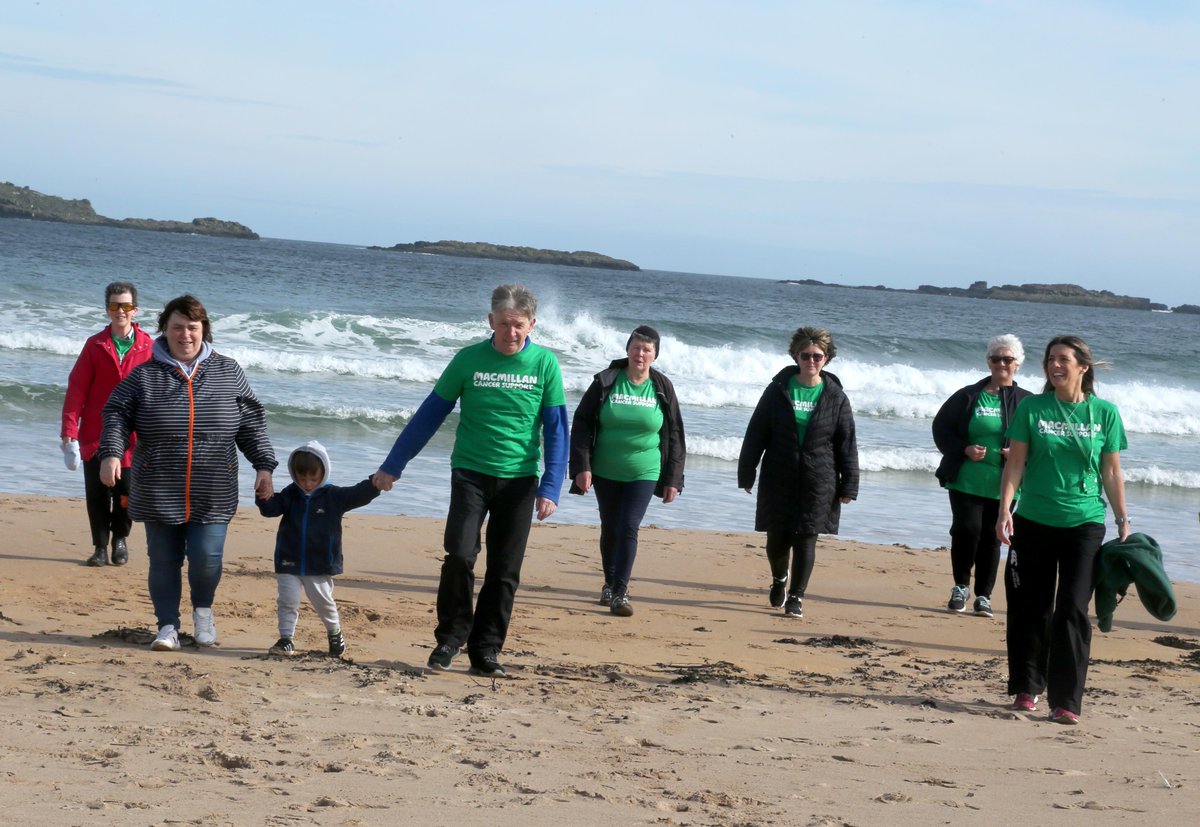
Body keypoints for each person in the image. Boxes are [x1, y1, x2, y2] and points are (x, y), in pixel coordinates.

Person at [372, 284, 568, 677]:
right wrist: (394, 464)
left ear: (532, 325)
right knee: (459, 554)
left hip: (519, 480)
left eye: (518, 325)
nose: (511, 332)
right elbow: (430, 415)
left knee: (504, 569)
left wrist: (550, 486)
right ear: (489, 321)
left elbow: (557, 428)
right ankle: (451, 637)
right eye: (503, 324)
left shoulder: (545, 365)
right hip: (470, 473)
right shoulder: (468, 360)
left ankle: (486, 649)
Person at [98, 294, 276, 652]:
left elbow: (251, 422)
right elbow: (115, 413)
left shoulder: (228, 370)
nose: (185, 335)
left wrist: (264, 465)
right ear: (165, 329)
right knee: (163, 560)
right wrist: (111, 453)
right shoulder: (144, 375)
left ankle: (204, 612)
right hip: (158, 486)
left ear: (203, 330)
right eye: (177, 327)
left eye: (192, 328)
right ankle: (167, 626)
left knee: (207, 559)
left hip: (215, 487)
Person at [996, 335, 1129, 725]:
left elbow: (1112, 470)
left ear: (1082, 367)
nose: (1054, 365)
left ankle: (1066, 700)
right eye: (1050, 359)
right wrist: (1005, 509)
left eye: (1063, 359)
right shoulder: (1032, 408)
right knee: (1030, 607)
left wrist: (1122, 519)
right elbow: (1015, 464)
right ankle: (1027, 687)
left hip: (1084, 523)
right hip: (1034, 519)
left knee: (1072, 608)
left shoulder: (1105, 413)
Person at [738, 327, 859, 619]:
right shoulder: (778, 389)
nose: (811, 360)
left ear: (827, 359)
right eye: (805, 355)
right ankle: (780, 578)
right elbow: (756, 433)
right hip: (779, 474)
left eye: (818, 356)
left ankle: (796, 596)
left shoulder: (835, 396)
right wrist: (746, 472)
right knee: (777, 539)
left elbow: (847, 442)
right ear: (796, 355)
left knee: (806, 537)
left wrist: (849, 485)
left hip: (820, 478)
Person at [568, 325, 686, 617]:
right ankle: (609, 584)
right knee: (610, 526)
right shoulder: (607, 381)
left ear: (655, 355)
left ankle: (620, 592)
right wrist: (582, 467)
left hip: (645, 469)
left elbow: (675, 434)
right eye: (636, 347)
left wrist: (673, 479)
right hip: (605, 469)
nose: (640, 354)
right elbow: (582, 423)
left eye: (647, 349)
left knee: (628, 525)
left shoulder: (661, 386)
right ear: (627, 350)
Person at [932, 334, 1032, 618]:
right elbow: (941, 428)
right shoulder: (968, 395)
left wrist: (1016, 452)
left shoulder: (1026, 402)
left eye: (1007, 359)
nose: (1001, 363)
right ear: (988, 361)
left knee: (993, 535)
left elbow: (1038, 440)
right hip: (966, 478)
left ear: (1017, 364)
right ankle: (961, 586)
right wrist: (963, 449)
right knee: (966, 530)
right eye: (996, 358)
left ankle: (984, 595)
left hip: (1005, 483)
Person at [256, 440, 379, 657]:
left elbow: (358, 493)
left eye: (313, 478)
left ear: (323, 472)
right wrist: (263, 497)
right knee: (287, 600)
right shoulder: (290, 493)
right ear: (295, 474)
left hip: (319, 562)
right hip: (288, 558)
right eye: (302, 478)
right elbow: (271, 510)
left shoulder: (333, 496)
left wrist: (376, 483)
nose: (307, 483)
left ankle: (334, 632)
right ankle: (286, 639)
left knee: (324, 602)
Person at [60, 282, 153, 567]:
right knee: (98, 494)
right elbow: (77, 389)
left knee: (126, 494)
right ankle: (100, 546)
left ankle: (120, 540)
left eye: (125, 305)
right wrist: (69, 433)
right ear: (107, 309)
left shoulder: (150, 346)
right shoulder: (95, 345)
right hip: (95, 435)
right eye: (114, 305)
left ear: (135, 310)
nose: (120, 311)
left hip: (134, 437)